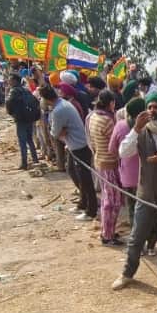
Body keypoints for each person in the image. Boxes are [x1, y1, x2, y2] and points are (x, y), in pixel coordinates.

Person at [112, 92, 157, 291]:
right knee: (136, 236)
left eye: (156, 107)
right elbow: (123, 152)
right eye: (149, 107)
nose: (152, 111)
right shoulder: (140, 132)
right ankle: (127, 273)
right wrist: (135, 128)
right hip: (145, 194)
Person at [41, 84, 97, 222]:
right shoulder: (62, 103)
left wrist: (61, 132)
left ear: (45, 99)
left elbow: (54, 133)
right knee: (72, 170)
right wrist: (62, 132)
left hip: (79, 146)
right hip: (73, 145)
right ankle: (83, 203)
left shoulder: (59, 110)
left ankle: (91, 210)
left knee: (85, 179)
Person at [88, 90, 124, 244]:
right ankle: (108, 235)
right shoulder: (108, 120)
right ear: (111, 103)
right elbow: (114, 145)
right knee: (112, 202)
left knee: (106, 199)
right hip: (109, 163)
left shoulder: (93, 116)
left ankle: (108, 231)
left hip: (100, 161)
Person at [110, 97, 144, 226]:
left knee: (132, 208)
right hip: (146, 178)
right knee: (146, 210)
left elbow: (112, 149)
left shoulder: (121, 126)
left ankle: (135, 233)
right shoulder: (151, 126)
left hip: (128, 176)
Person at [5, 73, 40, 171]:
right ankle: (35, 160)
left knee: (22, 142)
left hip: (20, 119)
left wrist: (12, 113)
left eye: (10, 80)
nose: (9, 82)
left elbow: (9, 103)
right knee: (30, 140)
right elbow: (35, 102)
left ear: (14, 81)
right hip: (29, 118)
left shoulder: (13, 91)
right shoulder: (26, 90)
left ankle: (24, 163)